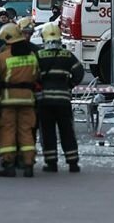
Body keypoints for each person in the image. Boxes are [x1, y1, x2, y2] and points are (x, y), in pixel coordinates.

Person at [36, 23, 84, 173]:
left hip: (45, 101)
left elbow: (33, 75)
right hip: (63, 100)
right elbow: (79, 72)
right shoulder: (67, 55)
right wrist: (69, 85)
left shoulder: (38, 56)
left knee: (48, 131)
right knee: (67, 130)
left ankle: (51, 163)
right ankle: (73, 162)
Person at [0, 22, 39, 177]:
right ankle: (28, 164)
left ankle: (8, 164)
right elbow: (36, 76)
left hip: (8, 99)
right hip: (28, 99)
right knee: (26, 130)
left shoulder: (1, 57)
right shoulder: (32, 56)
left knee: (7, 130)